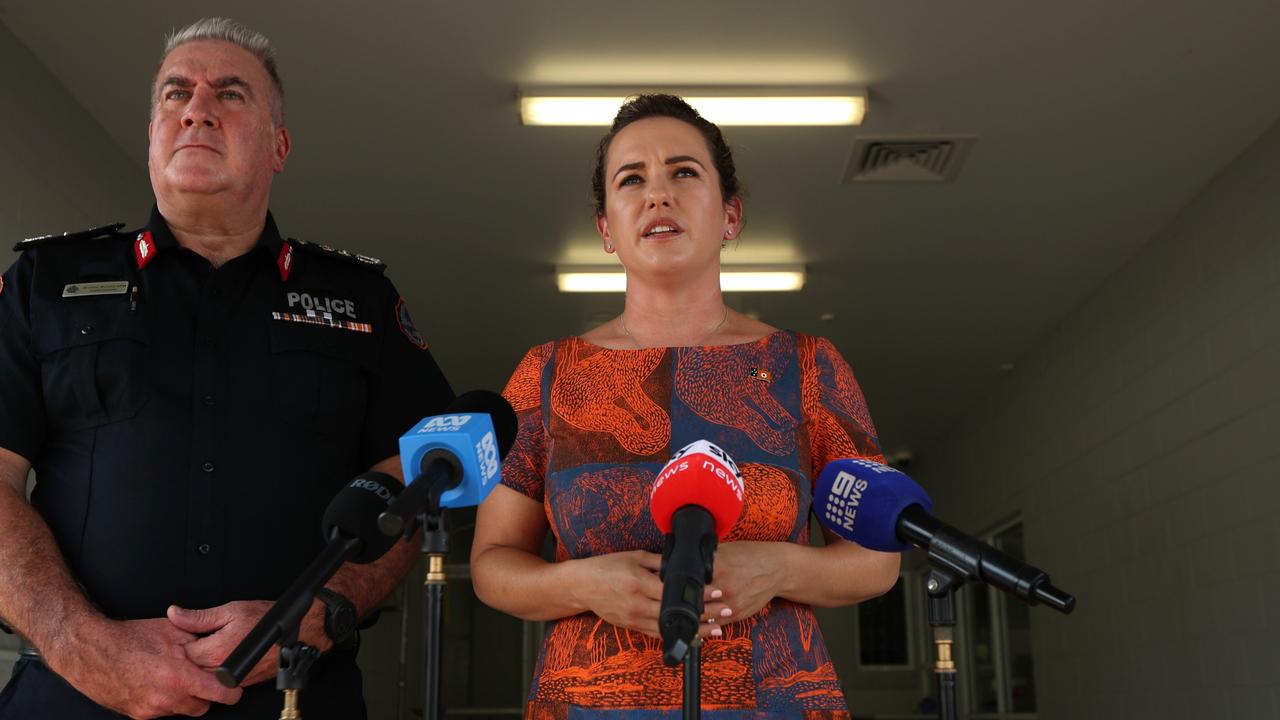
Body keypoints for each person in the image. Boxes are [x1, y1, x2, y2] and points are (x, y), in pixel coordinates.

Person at [0, 17, 453, 720]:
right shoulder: (45, 284)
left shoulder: (357, 300)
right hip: (74, 697)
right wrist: (81, 644)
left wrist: (323, 610)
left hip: (297, 696)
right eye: (176, 93)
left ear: (279, 147)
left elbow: (419, 482)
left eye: (231, 94)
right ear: (153, 133)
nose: (197, 108)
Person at [471, 94, 901, 718]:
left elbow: (877, 559)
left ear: (730, 215)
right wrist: (582, 584)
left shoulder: (809, 366)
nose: (657, 194)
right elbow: (490, 565)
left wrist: (779, 569)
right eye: (632, 180)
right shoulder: (547, 374)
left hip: (773, 700)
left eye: (684, 172)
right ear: (606, 230)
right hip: (587, 704)